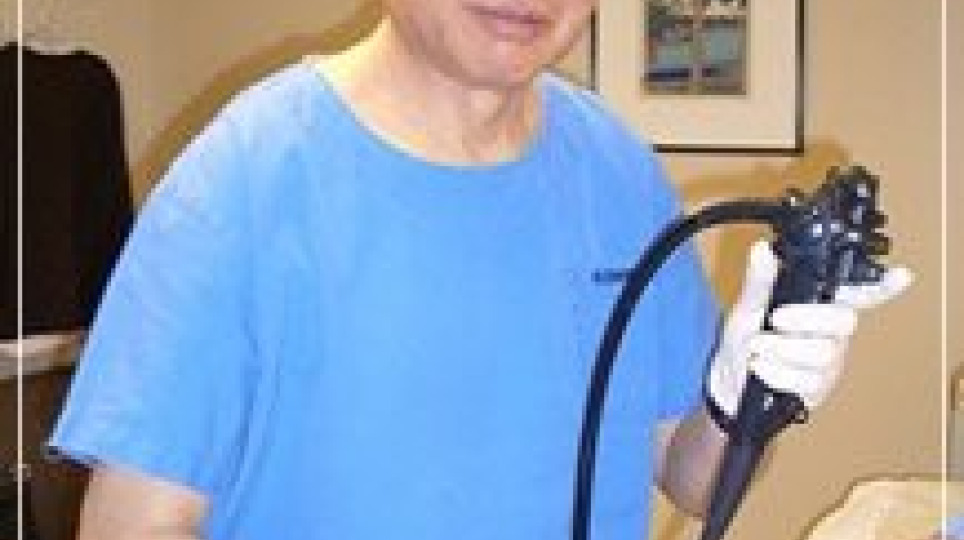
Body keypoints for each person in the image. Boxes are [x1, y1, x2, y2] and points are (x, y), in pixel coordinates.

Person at [48, 1, 911, 539]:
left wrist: (747, 398)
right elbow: (133, 526)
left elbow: (691, 479)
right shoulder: (246, 178)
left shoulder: (614, 168)